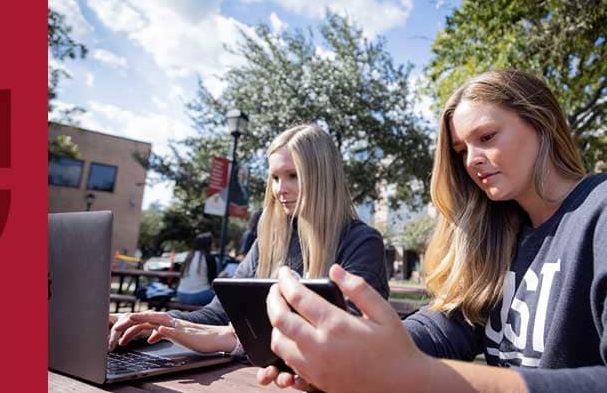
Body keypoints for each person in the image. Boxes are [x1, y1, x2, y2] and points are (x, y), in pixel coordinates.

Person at [259, 69, 607, 392]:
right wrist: (351, 349)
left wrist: (417, 375)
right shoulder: (499, 236)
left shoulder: (599, 212)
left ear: (541, 122)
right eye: (461, 151)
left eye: (486, 136)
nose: (471, 160)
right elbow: (447, 324)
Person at [108, 124, 390, 354]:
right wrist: (157, 323)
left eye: (293, 176)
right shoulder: (268, 240)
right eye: (275, 178)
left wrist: (232, 340)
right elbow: (219, 313)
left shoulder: (361, 242)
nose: (281, 189)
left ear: (323, 177)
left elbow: (350, 339)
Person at [175, 233, 218, 306]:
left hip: (181, 295)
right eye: (212, 242)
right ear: (208, 244)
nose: (213, 244)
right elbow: (213, 281)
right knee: (223, 298)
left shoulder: (188, 256)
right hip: (199, 296)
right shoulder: (209, 258)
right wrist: (221, 276)